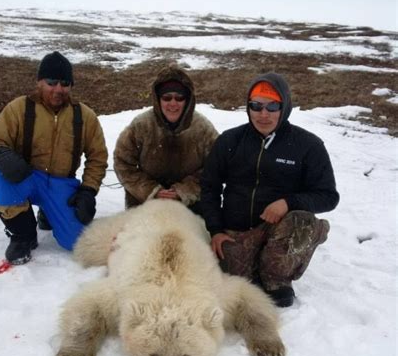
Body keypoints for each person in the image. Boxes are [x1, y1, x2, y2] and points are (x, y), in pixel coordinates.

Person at [200, 72, 339, 307]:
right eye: (256, 106)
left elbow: (328, 196)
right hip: (238, 231)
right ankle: (254, 265)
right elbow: (209, 187)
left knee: (301, 220)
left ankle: (277, 279)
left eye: (272, 106)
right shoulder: (230, 141)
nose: (263, 114)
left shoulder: (308, 146)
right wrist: (215, 230)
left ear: (284, 107)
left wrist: (288, 202)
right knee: (226, 283)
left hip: (279, 230)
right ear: (248, 107)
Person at [0, 51, 108, 265]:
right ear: (39, 82)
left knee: (76, 242)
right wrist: (1, 155)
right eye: (52, 82)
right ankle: (23, 235)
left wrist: (88, 191)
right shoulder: (18, 109)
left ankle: (48, 214)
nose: (59, 89)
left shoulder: (85, 116)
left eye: (65, 83)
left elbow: (98, 157)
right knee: (1, 179)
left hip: (61, 183)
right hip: (27, 177)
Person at [113, 64, 218, 214]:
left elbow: (215, 168)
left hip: (191, 206)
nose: (173, 104)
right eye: (167, 97)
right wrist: (152, 191)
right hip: (145, 203)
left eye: (179, 97)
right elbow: (122, 162)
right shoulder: (141, 125)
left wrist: (183, 191)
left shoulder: (203, 129)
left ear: (187, 100)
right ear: (158, 99)